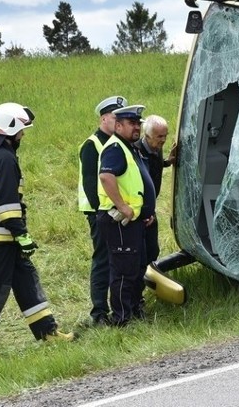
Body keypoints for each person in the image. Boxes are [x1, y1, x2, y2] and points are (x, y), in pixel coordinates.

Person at [0, 102, 74, 359]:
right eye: (21, 130)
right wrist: (21, 234)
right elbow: (6, 205)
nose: (23, 135)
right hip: (5, 237)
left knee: (26, 282)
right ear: (10, 128)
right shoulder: (5, 158)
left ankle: (48, 331)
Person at [97, 104, 156, 326]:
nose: (136, 128)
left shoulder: (129, 147)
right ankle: (122, 319)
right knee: (124, 271)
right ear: (118, 125)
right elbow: (106, 177)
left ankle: (132, 310)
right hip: (119, 221)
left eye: (138, 124)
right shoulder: (115, 148)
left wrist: (144, 213)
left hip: (134, 220)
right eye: (131, 124)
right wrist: (122, 206)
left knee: (136, 266)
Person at [77, 95, 127, 327]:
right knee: (103, 260)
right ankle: (99, 312)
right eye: (115, 118)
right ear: (104, 118)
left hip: (116, 210)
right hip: (100, 212)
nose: (118, 122)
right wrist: (103, 212)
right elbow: (91, 184)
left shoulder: (117, 142)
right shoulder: (92, 145)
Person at [132, 114, 177, 265]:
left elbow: (152, 166)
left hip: (151, 208)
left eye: (165, 135)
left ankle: (149, 278)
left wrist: (167, 162)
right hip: (138, 210)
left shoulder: (156, 147)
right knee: (139, 249)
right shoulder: (135, 152)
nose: (163, 140)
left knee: (153, 249)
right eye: (159, 136)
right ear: (147, 135)